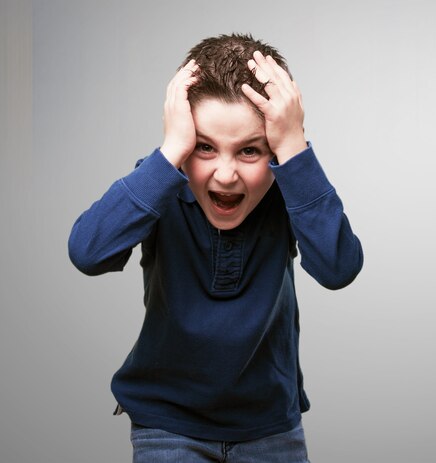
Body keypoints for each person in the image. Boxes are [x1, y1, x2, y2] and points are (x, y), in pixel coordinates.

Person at [68, 33, 363, 462]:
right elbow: (87, 252)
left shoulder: (289, 189)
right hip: (167, 424)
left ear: (275, 148)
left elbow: (338, 268)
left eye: (249, 151)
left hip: (270, 426)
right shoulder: (160, 183)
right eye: (204, 147)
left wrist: (295, 149)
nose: (225, 175)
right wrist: (171, 153)